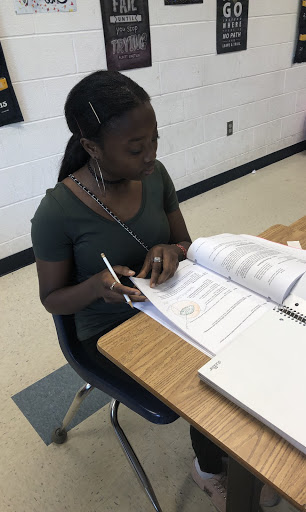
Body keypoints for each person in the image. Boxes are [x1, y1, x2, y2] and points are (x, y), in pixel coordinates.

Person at [31, 70, 278, 512]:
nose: (151, 156)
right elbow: (52, 300)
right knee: (211, 380)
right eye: (136, 148)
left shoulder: (156, 175)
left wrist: (172, 249)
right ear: (91, 147)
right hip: (109, 332)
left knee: (247, 345)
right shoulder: (55, 213)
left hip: (172, 304)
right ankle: (208, 470)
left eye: (155, 141)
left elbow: (186, 244)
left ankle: (243, 456)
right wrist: (94, 286)